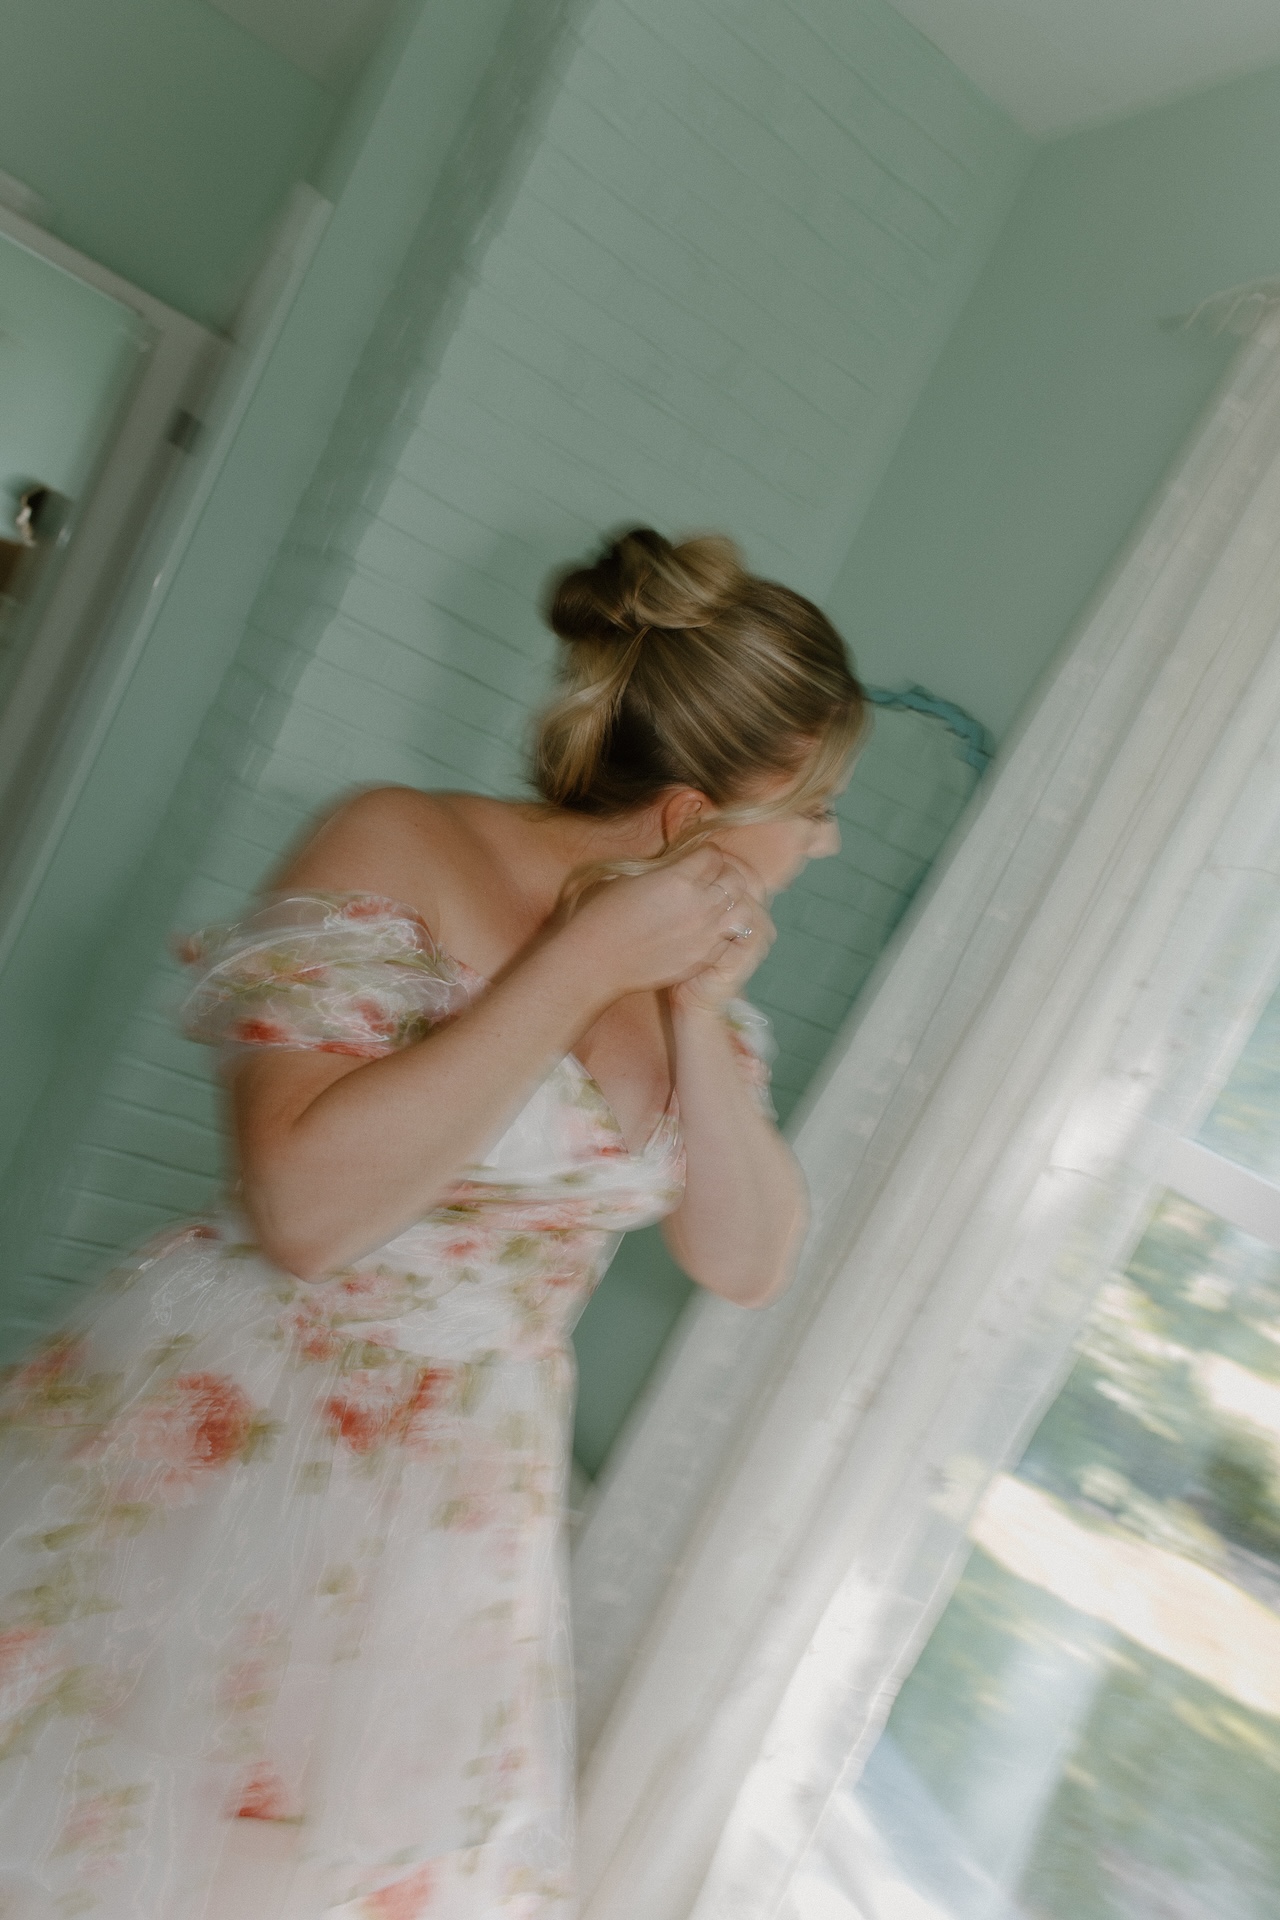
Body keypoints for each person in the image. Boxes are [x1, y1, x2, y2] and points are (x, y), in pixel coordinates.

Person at [0, 528, 865, 1919]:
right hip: (244, 1431)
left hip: (463, 1513)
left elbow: (747, 1259)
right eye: (817, 803)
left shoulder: (698, 988)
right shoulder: (398, 839)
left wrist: (692, 1010)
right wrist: (584, 959)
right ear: (697, 812)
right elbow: (303, 1213)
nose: (825, 841)